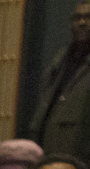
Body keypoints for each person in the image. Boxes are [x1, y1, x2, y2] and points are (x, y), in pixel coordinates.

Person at [29, 1, 90, 160]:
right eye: (77, 18)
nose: (82, 22)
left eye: (88, 18)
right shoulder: (60, 63)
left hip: (80, 161)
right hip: (48, 154)